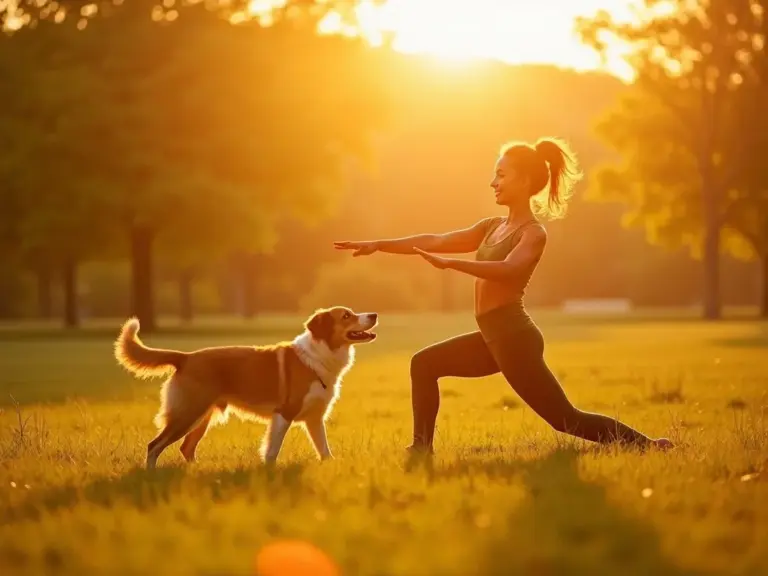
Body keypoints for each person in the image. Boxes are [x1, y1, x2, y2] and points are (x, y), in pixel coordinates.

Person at [334, 137, 673, 454]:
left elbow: (511, 269)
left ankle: (649, 446)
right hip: (491, 338)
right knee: (424, 364)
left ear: (524, 181)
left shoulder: (533, 234)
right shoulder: (491, 227)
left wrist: (454, 265)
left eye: (501, 174)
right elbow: (435, 240)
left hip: (514, 338)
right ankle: (421, 449)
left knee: (566, 420)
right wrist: (379, 245)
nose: (493, 182)